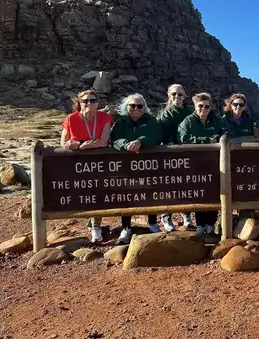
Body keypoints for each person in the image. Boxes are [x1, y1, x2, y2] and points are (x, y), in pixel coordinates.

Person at [60, 89, 114, 243]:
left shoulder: (104, 118)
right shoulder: (71, 119)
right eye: (85, 101)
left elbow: (103, 142)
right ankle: (90, 222)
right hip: (77, 164)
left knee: (98, 192)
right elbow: (63, 142)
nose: (89, 103)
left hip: (98, 163)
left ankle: (96, 226)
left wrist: (82, 146)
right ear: (79, 103)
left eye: (93, 100)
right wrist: (73, 145)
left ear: (98, 103)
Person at [110, 93, 163, 244]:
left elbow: (157, 136)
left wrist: (141, 141)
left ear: (144, 107)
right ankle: (126, 227)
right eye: (132, 105)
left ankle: (152, 223)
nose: (136, 108)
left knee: (150, 192)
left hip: (148, 165)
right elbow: (114, 139)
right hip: (127, 166)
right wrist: (125, 144)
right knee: (127, 194)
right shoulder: (121, 122)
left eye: (140, 106)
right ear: (126, 107)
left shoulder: (151, 121)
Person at [177, 92, 224, 235]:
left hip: (214, 162)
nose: (204, 109)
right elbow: (183, 138)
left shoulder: (216, 120)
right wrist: (206, 140)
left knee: (214, 191)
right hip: (195, 163)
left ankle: (210, 223)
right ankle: (200, 223)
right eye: (200, 106)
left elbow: (225, 134)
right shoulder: (188, 121)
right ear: (195, 106)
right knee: (199, 192)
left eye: (207, 106)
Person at [158, 84, 195, 232]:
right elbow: (162, 133)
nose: (176, 97)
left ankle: (186, 214)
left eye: (180, 94)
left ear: (184, 96)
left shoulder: (189, 113)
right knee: (170, 186)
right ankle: (166, 216)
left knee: (186, 185)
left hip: (187, 154)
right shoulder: (165, 114)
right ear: (168, 95)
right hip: (170, 154)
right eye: (173, 94)